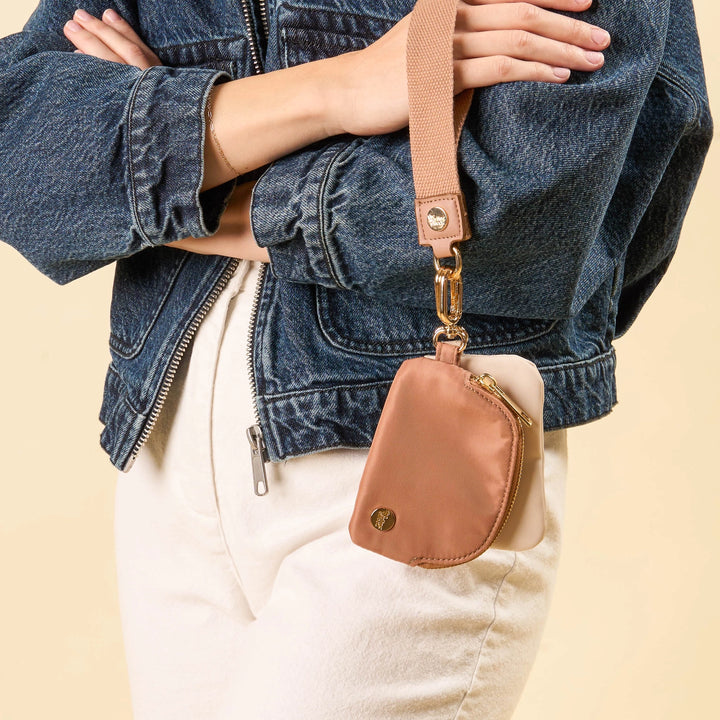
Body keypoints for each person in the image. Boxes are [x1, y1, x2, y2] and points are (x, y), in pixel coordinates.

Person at [0, 0, 712, 718]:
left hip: (416, 450)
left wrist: (169, 165)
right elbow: (21, 153)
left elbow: (526, 218)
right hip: (165, 448)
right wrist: (340, 89)